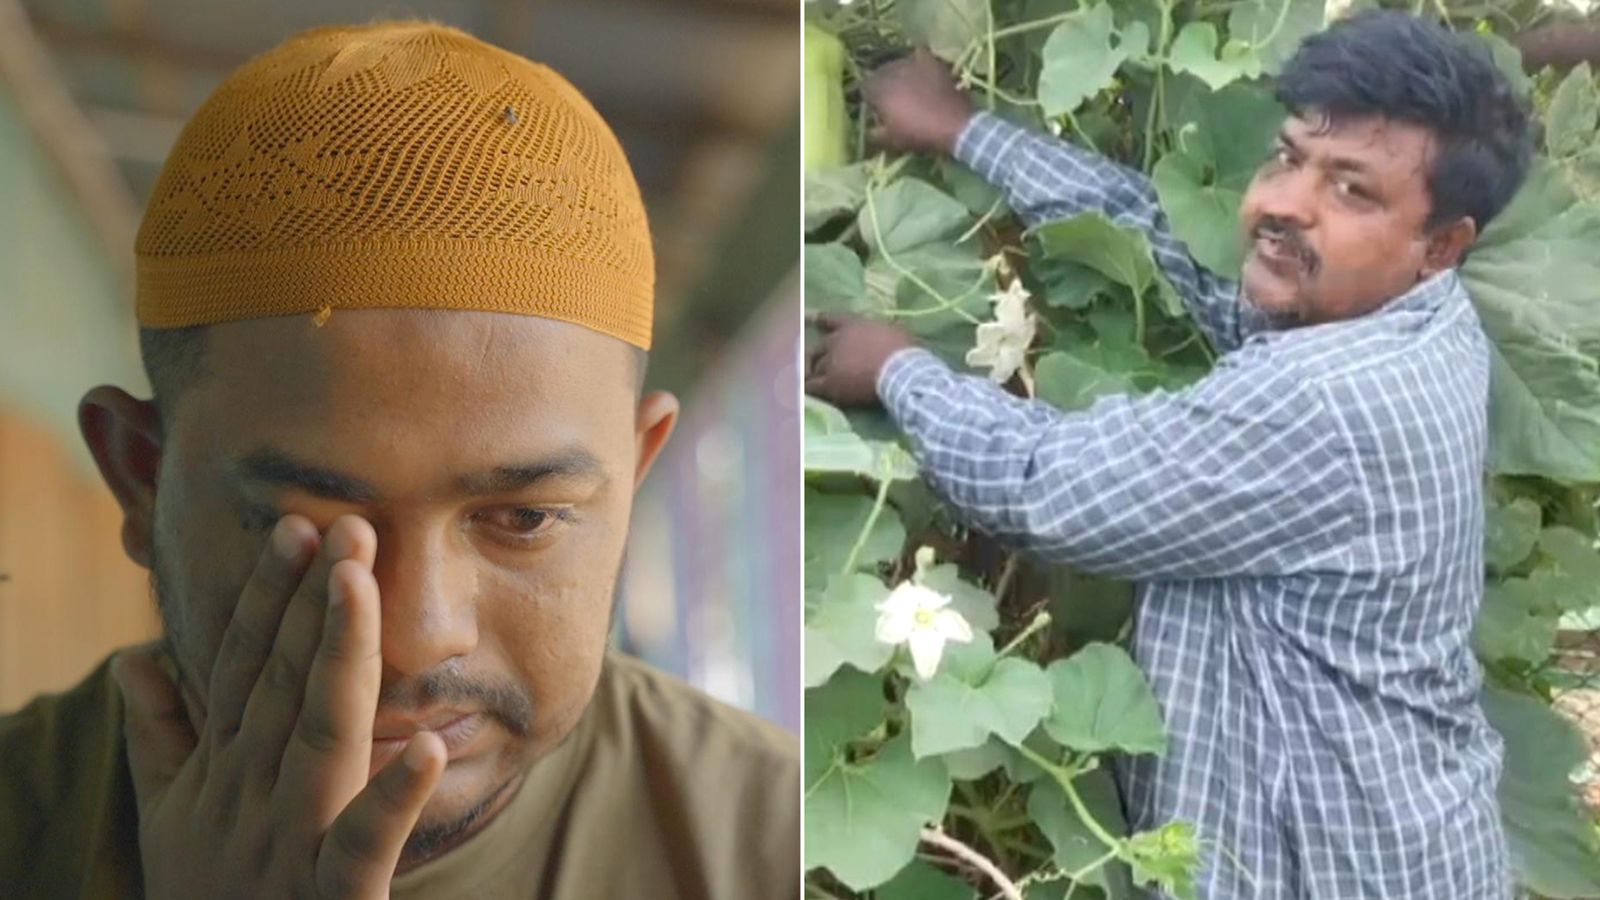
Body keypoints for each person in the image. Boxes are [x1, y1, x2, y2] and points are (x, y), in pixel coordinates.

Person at [0, 19, 798, 900]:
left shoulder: (786, 847)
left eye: (524, 519)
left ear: (636, 472)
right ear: (141, 478)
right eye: (315, 527)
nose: (417, 636)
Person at [806, 10, 1531, 899]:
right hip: (1404, 835)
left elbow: (1050, 487)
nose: (1281, 202)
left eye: (1353, 191)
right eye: (1287, 156)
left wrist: (898, 369)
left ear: (1441, 245)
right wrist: (968, 130)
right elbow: (1167, 244)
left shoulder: (1329, 398)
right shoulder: (1410, 317)